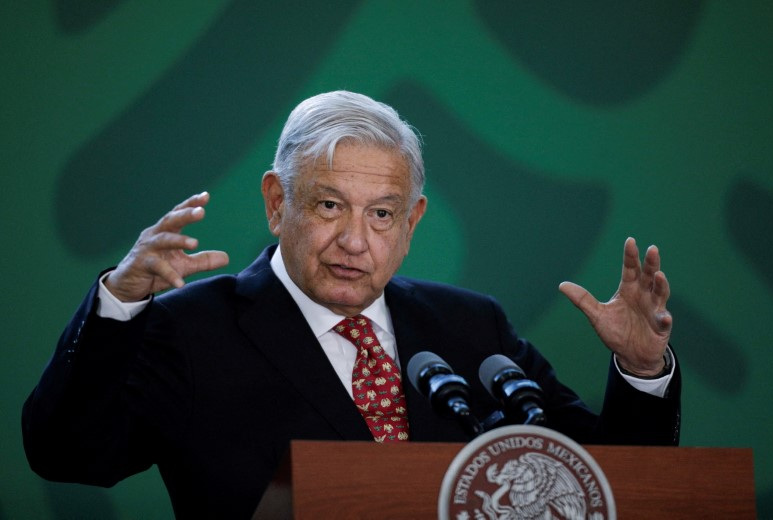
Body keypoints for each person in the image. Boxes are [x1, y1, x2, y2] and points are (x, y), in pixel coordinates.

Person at [22, 91, 680, 519]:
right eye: (330, 206)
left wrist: (643, 372)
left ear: (413, 222)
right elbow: (71, 456)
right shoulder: (189, 329)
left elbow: (604, 485)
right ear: (279, 203)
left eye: (383, 214)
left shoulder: (470, 328)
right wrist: (117, 307)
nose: (355, 241)